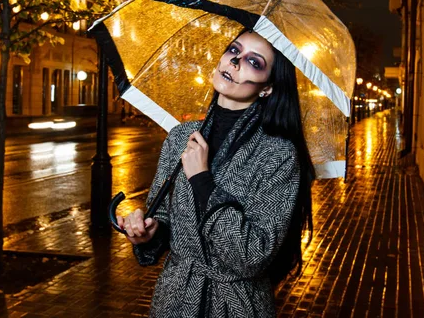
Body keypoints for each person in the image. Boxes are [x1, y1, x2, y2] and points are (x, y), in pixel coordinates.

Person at [117, 29, 315, 317]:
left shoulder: (278, 154)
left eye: (254, 62)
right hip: (174, 300)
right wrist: (147, 233)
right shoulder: (179, 137)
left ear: (267, 87)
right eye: (234, 50)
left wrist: (202, 179)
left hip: (237, 304)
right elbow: (162, 219)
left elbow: (252, 256)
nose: (235, 62)